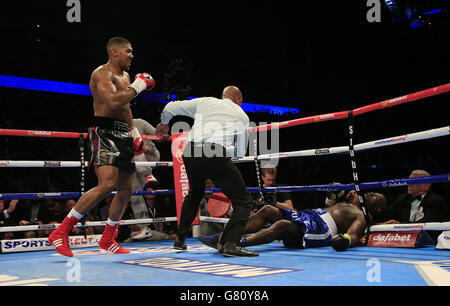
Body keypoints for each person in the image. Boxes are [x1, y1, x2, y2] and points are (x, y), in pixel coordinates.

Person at [48, 37, 155, 257]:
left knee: (126, 189)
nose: (132, 56)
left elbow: (125, 108)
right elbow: (113, 101)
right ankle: (61, 231)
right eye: (128, 51)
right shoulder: (101, 74)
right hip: (104, 133)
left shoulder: (125, 76)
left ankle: (108, 238)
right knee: (106, 185)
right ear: (114, 52)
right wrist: (139, 85)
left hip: (123, 133)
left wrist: (133, 132)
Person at [155, 86, 257, 257]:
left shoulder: (206, 101)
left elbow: (169, 108)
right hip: (215, 153)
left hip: (190, 151)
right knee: (243, 201)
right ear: (238, 100)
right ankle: (230, 244)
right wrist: (225, 149)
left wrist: (164, 123)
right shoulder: (242, 115)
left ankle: (180, 239)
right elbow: (240, 153)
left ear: (223, 96)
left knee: (195, 193)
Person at [199, 191, 388, 252]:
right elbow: (329, 201)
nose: (371, 193)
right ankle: (224, 236)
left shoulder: (363, 216)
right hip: (312, 216)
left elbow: (354, 235)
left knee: (282, 226)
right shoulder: (352, 201)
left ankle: (236, 244)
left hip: (322, 228)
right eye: (371, 192)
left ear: (377, 209)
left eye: (376, 196)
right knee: (267, 210)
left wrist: (344, 240)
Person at [374, 169, 449, 242]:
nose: (408, 183)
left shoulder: (436, 201)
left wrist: (399, 226)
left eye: (412, 181)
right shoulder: (403, 198)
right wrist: (375, 209)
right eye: (408, 180)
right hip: (403, 240)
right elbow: (387, 214)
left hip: (428, 243)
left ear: (425, 185)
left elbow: (427, 225)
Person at [129, 118, 161, 241]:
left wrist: (163, 129)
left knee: (135, 143)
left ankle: (148, 174)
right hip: (135, 163)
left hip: (150, 155)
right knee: (134, 192)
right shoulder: (115, 130)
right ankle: (145, 228)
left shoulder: (140, 122)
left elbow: (157, 134)